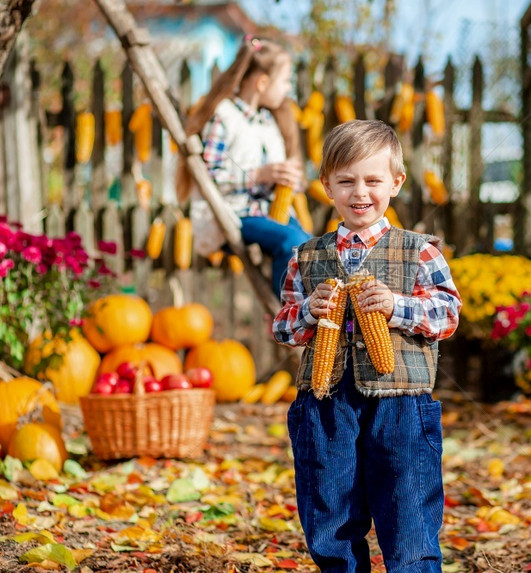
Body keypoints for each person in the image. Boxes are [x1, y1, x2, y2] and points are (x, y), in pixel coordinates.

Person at [272, 120, 462, 573]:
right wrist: (308, 314)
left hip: (401, 404)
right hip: (326, 403)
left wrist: (397, 306)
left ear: (395, 183)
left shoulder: (420, 251)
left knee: (408, 512)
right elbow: (283, 328)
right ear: (327, 186)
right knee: (330, 513)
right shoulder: (306, 256)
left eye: (373, 180)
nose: (360, 192)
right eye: (346, 181)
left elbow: (448, 314)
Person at [178, 35, 310, 295]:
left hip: (266, 212)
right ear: (262, 82)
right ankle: (285, 315)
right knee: (292, 242)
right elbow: (210, 178)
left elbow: (274, 179)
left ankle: (302, 312)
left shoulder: (268, 123)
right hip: (233, 214)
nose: (288, 89)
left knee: (313, 249)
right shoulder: (224, 116)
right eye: (285, 81)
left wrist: (286, 180)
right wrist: (260, 174)